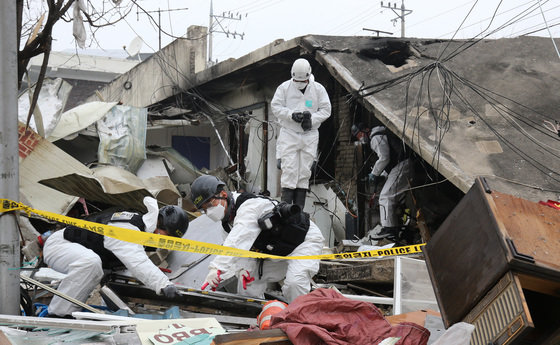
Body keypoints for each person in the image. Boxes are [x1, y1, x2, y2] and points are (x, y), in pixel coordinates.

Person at [43, 197, 189, 317]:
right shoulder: (128, 228)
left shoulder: (142, 232)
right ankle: (58, 314)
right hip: (60, 245)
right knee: (91, 264)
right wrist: (163, 284)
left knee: (119, 277)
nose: (166, 243)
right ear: (161, 224)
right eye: (168, 237)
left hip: (82, 250)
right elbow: (137, 262)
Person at [189, 175, 324, 303]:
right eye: (204, 209)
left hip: (303, 242)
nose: (209, 211)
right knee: (246, 279)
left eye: (210, 205)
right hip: (277, 251)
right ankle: (255, 317)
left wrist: (216, 268)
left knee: (295, 283)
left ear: (223, 194)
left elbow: (238, 240)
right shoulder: (227, 225)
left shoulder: (249, 206)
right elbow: (239, 255)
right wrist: (235, 271)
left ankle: (300, 321)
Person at [271, 58, 331, 210]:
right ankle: (285, 209)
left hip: (309, 135)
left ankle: (298, 210)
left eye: (303, 81)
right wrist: (291, 115)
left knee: (304, 172)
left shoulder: (318, 89)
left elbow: (326, 110)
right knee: (289, 170)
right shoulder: (284, 88)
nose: (300, 84)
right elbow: (276, 107)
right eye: (297, 80)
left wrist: (312, 119)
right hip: (289, 133)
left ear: (308, 76)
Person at [367, 125, 412, 241]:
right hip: (401, 165)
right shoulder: (383, 133)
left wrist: (374, 173)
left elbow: (384, 157)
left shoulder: (375, 137)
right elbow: (389, 158)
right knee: (393, 199)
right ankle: (396, 229)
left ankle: (390, 230)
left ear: (365, 131)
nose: (360, 138)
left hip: (402, 165)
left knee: (385, 197)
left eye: (359, 135)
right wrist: (382, 175)